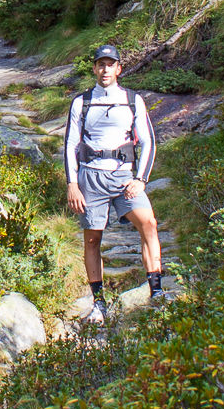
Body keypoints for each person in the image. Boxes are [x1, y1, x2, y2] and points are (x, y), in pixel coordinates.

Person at [61, 45, 164, 318]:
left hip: (124, 177)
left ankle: (157, 291)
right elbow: (71, 144)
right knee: (93, 239)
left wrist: (141, 179)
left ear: (119, 68)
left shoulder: (133, 100)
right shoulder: (81, 102)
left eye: (111, 64)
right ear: (94, 69)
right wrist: (72, 184)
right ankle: (98, 302)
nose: (105, 70)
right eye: (100, 64)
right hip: (90, 177)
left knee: (149, 224)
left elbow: (148, 141)